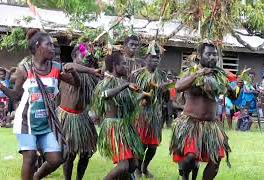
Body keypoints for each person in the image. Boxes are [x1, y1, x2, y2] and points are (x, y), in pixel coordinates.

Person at [0, 29, 80, 180]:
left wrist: (74, 73)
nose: (53, 48)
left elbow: (76, 84)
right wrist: (1, 87)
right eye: (49, 45)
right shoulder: (24, 69)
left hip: (46, 124)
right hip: (26, 123)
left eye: (53, 45)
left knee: (56, 159)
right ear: (38, 46)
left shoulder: (56, 68)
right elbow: (16, 95)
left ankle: (36, 177)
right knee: (30, 158)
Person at [169, 43, 231, 180]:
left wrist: (233, 84)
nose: (212, 57)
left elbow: (230, 94)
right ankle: (184, 173)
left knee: (215, 160)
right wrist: (199, 73)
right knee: (190, 156)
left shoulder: (219, 76)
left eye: (215, 54)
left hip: (211, 125)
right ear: (200, 56)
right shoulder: (190, 72)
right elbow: (178, 87)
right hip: (191, 123)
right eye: (208, 54)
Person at [93, 51, 148, 180]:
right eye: (123, 63)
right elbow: (105, 95)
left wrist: (143, 96)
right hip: (113, 127)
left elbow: (129, 105)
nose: (126, 66)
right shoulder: (106, 81)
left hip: (125, 127)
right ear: (114, 65)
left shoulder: (122, 83)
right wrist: (126, 85)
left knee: (133, 164)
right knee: (123, 166)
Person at [58, 43, 102, 180]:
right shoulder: (67, 68)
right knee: (69, 153)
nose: (86, 57)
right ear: (74, 56)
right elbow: (73, 67)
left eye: (88, 55)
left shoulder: (92, 78)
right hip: (66, 116)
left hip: (82, 117)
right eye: (83, 54)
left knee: (86, 152)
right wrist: (91, 70)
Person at [130, 48, 169, 178]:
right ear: (146, 58)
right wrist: (143, 97)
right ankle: (137, 169)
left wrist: (165, 89)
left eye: (158, 58)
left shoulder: (162, 75)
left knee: (152, 147)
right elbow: (131, 94)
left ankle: (144, 167)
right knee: (141, 144)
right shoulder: (137, 74)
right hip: (141, 114)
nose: (156, 60)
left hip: (155, 115)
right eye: (153, 57)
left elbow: (166, 98)